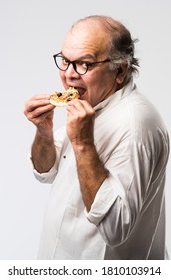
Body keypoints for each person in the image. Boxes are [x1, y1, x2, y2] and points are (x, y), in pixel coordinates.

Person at [24, 15, 170, 260]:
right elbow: (45, 171)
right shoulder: (91, 103)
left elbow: (116, 227)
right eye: (65, 61)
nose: (69, 75)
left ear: (120, 70)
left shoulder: (137, 124)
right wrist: (44, 132)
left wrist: (83, 144)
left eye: (84, 64)